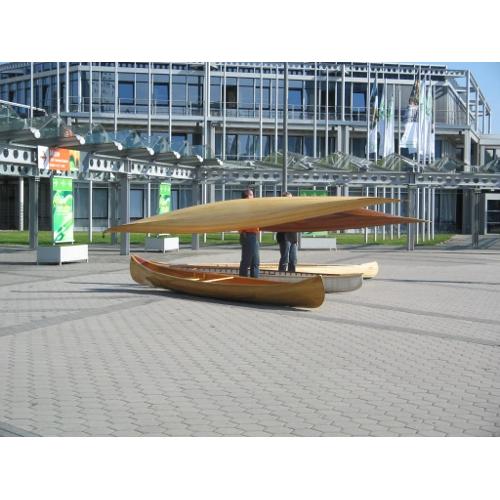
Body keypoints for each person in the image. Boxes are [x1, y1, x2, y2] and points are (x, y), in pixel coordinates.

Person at [239, 188, 260, 278]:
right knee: (248, 260)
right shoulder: (245, 206)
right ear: (247, 196)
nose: (253, 196)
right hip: (248, 234)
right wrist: (243, 232)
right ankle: (243, 279)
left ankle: (253, 279)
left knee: (255, 260)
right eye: (251, 195)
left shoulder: (251, 206)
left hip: (252, 234)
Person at [277, 192, 298, 273]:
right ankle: (281, 274)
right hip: (284, 236)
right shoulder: (281, 210)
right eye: (289, 198)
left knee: (293, 259)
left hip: (293, 236)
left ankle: (292, 275)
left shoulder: (294, 209)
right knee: (285, 258)